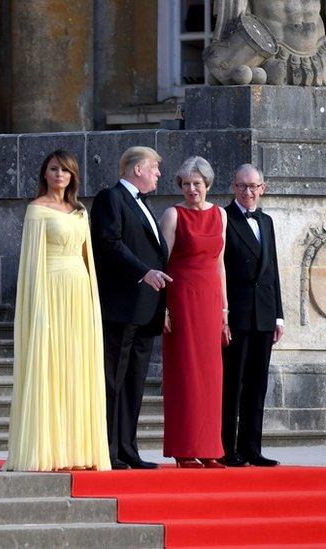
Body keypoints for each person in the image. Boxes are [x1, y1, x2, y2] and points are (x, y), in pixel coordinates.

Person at [5, 150, 110, 472]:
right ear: (45, 174)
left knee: (77, 369)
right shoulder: (36, 210)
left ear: (73, 175)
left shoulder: (80, 211)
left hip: (78, 293)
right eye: (53, 169)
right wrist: (37, 310)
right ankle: (46, 450)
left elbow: (86, 258)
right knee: (51, 367)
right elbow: (31, 266)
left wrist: (93, 305)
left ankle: (77, 450)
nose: (59, 174)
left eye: (65, 170)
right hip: (50, 291)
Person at [90, 146, 170, 470]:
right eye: (154, 168)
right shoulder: (111, 198)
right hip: (121, 307)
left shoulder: (145, 205)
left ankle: (128, 449)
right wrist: (143, 272)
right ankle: (108, 451)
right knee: (114, 380)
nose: (158, 174)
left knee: (134, 381)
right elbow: (109, 243)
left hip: (146, 310)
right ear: (137, 169)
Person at [159, 157, 228, 468]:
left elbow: (220, 263)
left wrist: (225, 309)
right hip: (183, 298)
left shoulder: (221, 215)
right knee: (186, 373)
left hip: (211, 299)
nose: (191, 189)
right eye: (185, 184)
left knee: (212, 377)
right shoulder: (173, 215)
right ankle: (184, 449)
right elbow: (161, 263)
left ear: (208, 185)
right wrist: (163, 307)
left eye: (196, 184)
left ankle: (210, 448)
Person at [221, 164, 284, 467]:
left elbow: (272, 270)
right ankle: (226, 448)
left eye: (253, 186)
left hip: (264, 314)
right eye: (242, 186)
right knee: (233, 383)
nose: (247, 192)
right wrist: (222, 313)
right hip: (237, 313)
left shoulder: (268, 221)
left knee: (257, 384)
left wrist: (279, 317)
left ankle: (252, 447)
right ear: (233, 187)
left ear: (263, 188)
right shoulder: (224, 218)